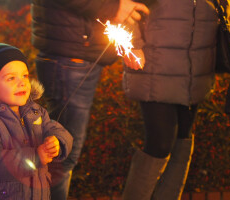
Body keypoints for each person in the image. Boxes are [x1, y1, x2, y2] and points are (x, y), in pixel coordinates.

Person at [31, 0, 149, 199]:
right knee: (61, 156)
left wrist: (133, 40)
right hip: (71, 55)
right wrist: (115, 9)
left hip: (78, 53)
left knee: (62, 153)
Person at [122, 0, 230, 199]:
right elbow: (124, 7)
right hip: (155, 64)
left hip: (197, 64)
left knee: (183, 138)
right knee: (160, 145)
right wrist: (132, 44)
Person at [0, 43, 73, 200]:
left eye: (24, 76)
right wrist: (36, 157)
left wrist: (57, 142)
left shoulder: (35, 111)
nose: (22, 82)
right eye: (11, 78)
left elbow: (55, 129)